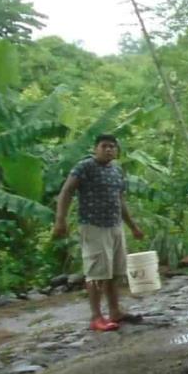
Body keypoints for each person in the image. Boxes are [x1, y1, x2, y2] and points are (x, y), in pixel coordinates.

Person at [53, 134, 145, 331]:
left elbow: (120, 201)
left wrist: (133, 226)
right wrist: (60, 220)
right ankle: (96, 317)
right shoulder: (84, 167)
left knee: (115, 272)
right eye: (104, 146)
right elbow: (66, 192)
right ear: (96, 148)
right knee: (97, 273)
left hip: (114, 225)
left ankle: (115, 312)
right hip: (93, 226)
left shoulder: (117, 170)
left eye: (113, 146)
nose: (109, 150)